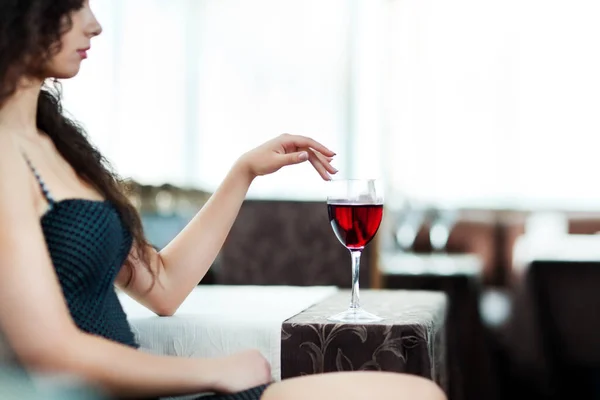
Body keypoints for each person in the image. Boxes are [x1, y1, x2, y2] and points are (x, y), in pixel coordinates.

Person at [0, 1, 447, 399]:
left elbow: (164, 288)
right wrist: (213, 371)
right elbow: (49, 350)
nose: (95, 24)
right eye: (74, 5)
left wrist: (243, 172)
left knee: (416, 391)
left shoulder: (56, 144)